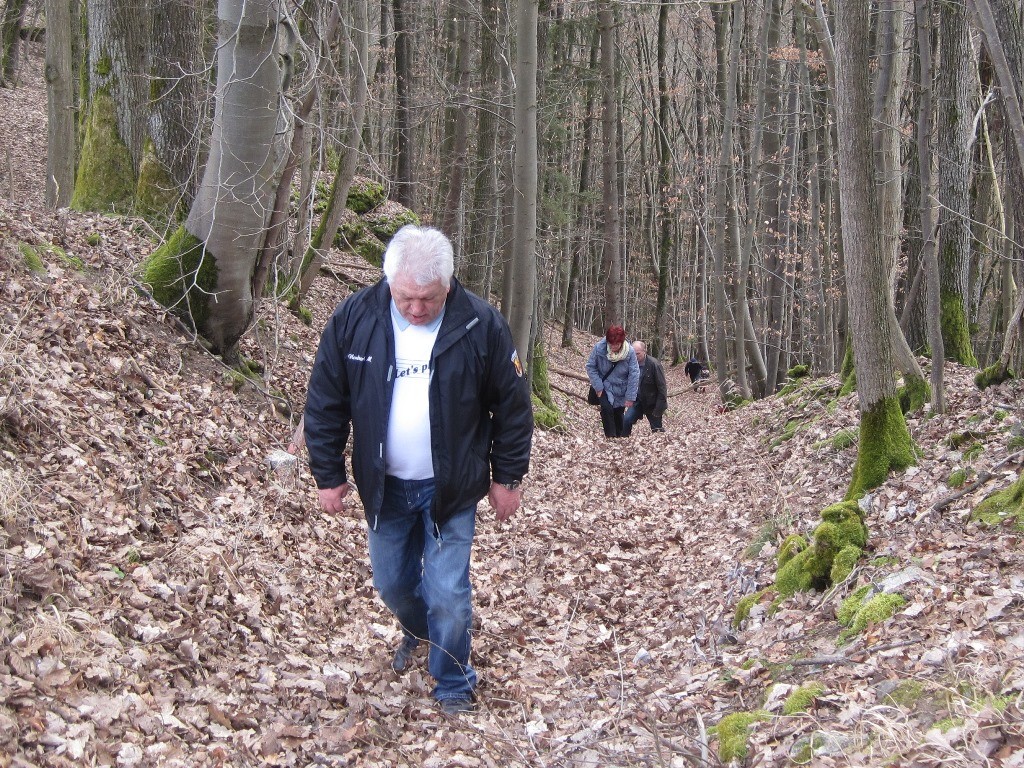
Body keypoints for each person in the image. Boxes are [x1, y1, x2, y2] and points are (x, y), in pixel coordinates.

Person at [303, 225, 533, 716]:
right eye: (405, 297)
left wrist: (507, 478)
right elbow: (325, 402)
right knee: (391, 583)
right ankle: (420, 630)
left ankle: (453, 681)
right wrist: (328, 473)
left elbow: (513, 407)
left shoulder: (480, 325)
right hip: (383, 487)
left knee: (449, 591)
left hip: (450, 488)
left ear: (447, 286)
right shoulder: (355, 318)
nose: (416, 308)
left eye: (428, 298)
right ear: (389, 283)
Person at [585, 325, 640, 438]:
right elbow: (590, 366)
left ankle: (619, 437)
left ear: (622, 342)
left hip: (621, 387)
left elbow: (634, 374)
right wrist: (598, 386)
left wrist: (630, 396)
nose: (614, 347)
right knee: (606, 409)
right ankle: (610, 438)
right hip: (604, 386)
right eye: (611, 344)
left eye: (617, 344)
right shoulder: (599, 348)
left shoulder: (629, 352)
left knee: (618, 412)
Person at [623, 341, 667, 436]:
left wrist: (659, 408)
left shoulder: (654, 364)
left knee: (657, 430)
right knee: (626, 420)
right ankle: (623, 442)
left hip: (652, 403)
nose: (635, 356)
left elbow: (662, 387)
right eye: (632, 353)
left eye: (637, 353)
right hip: (637, 401)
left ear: (644, 351)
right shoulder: (630, 364)